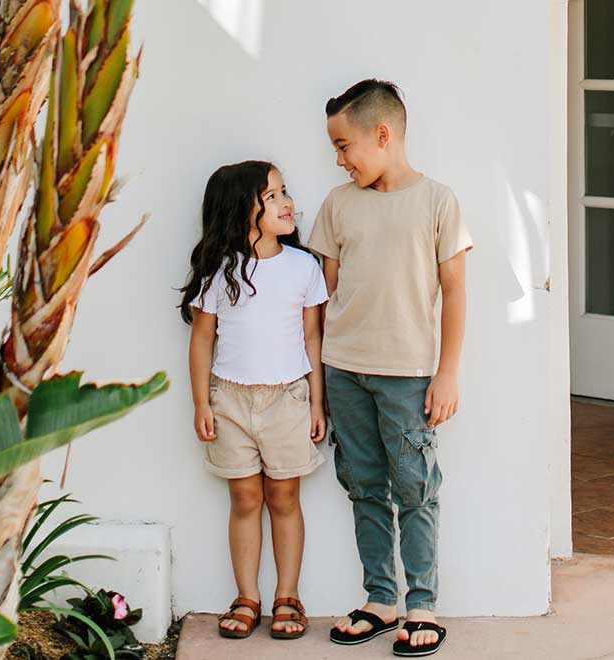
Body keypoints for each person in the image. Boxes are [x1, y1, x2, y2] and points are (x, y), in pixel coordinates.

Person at [308, 79, 473, 657]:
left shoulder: (437, 201)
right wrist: (315, 384)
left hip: (407, 375)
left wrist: (446, 373)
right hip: (342, 370)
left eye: (344, 145)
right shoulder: (337, 204)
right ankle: (380, 599)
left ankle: (421, 603)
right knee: (363, 487)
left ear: (383, 135)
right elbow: (321, 296)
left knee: (416, 489)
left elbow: (455, 292)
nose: (339, 159)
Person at [181, 160, 328, 640]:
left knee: (284, 496)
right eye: (272, 195)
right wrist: (202, 403)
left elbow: (313, 339)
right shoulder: (218, 271)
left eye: (285, 191)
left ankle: (289, 595)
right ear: (242, 208)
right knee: (245, 498)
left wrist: (316, 404)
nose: (287, 202)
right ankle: (247, 595)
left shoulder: (303, 267)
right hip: (230, 401)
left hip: (288, 398)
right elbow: (202, 339)